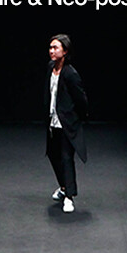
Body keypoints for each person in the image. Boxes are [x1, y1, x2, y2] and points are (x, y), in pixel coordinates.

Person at [46, 34, 87, 213]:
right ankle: (63, 187)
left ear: (65, 51)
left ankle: (69, 196)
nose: (52, 51)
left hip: (67, 123)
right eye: (50, 47)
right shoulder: (50, 68)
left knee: (66, 157)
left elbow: (80, 99)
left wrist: (76, 118)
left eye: (55, 47)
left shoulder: (70, 73)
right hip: (53, 120)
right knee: (53, 155)